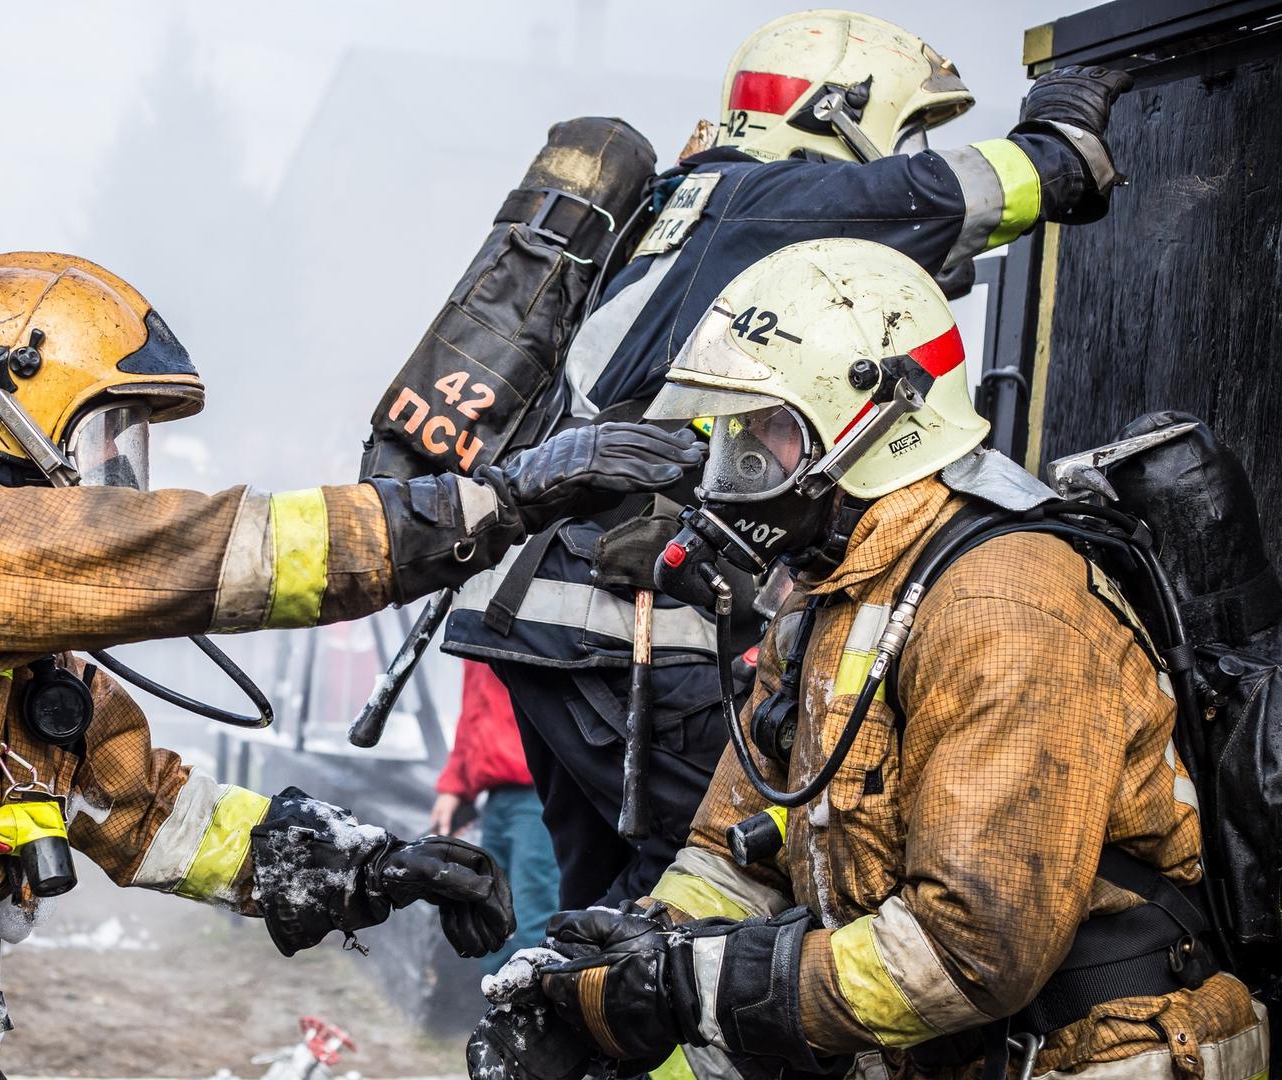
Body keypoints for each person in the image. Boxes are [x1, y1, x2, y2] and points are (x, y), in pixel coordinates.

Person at [0, 251, 706, 1080]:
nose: (117, 467)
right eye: (108, 429)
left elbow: (141, 809)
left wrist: (375, 868)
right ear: (6, 396)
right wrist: (497, 501)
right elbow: (223, 553)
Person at [476, 238, 1267, 1080]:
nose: (732, 463)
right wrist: (613, 982)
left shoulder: (1004, 606)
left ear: (877, 423)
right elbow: (734, 852)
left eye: (767, 428)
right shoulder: (832, 596)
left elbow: (970, 952)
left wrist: (688, 989)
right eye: (730, 429)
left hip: (1105, 1056)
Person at [442, 8, 1137, 912]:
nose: (909, 153)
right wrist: (1064, 110)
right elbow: (1044, 177)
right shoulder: (782, 199)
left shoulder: (676, 206)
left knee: (606, 899)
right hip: (625, 627)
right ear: (838, 110)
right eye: (907, 127)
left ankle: (569, 1031)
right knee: (730, 881)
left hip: (539, 615)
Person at [430, 660, 562, 968]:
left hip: (540, 789)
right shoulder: (475, 616)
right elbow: (474, 705)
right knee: (492, 913)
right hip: (498, 795)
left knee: (533, 919)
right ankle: (497, 1009)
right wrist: (455, 784)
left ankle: (532, 1012)